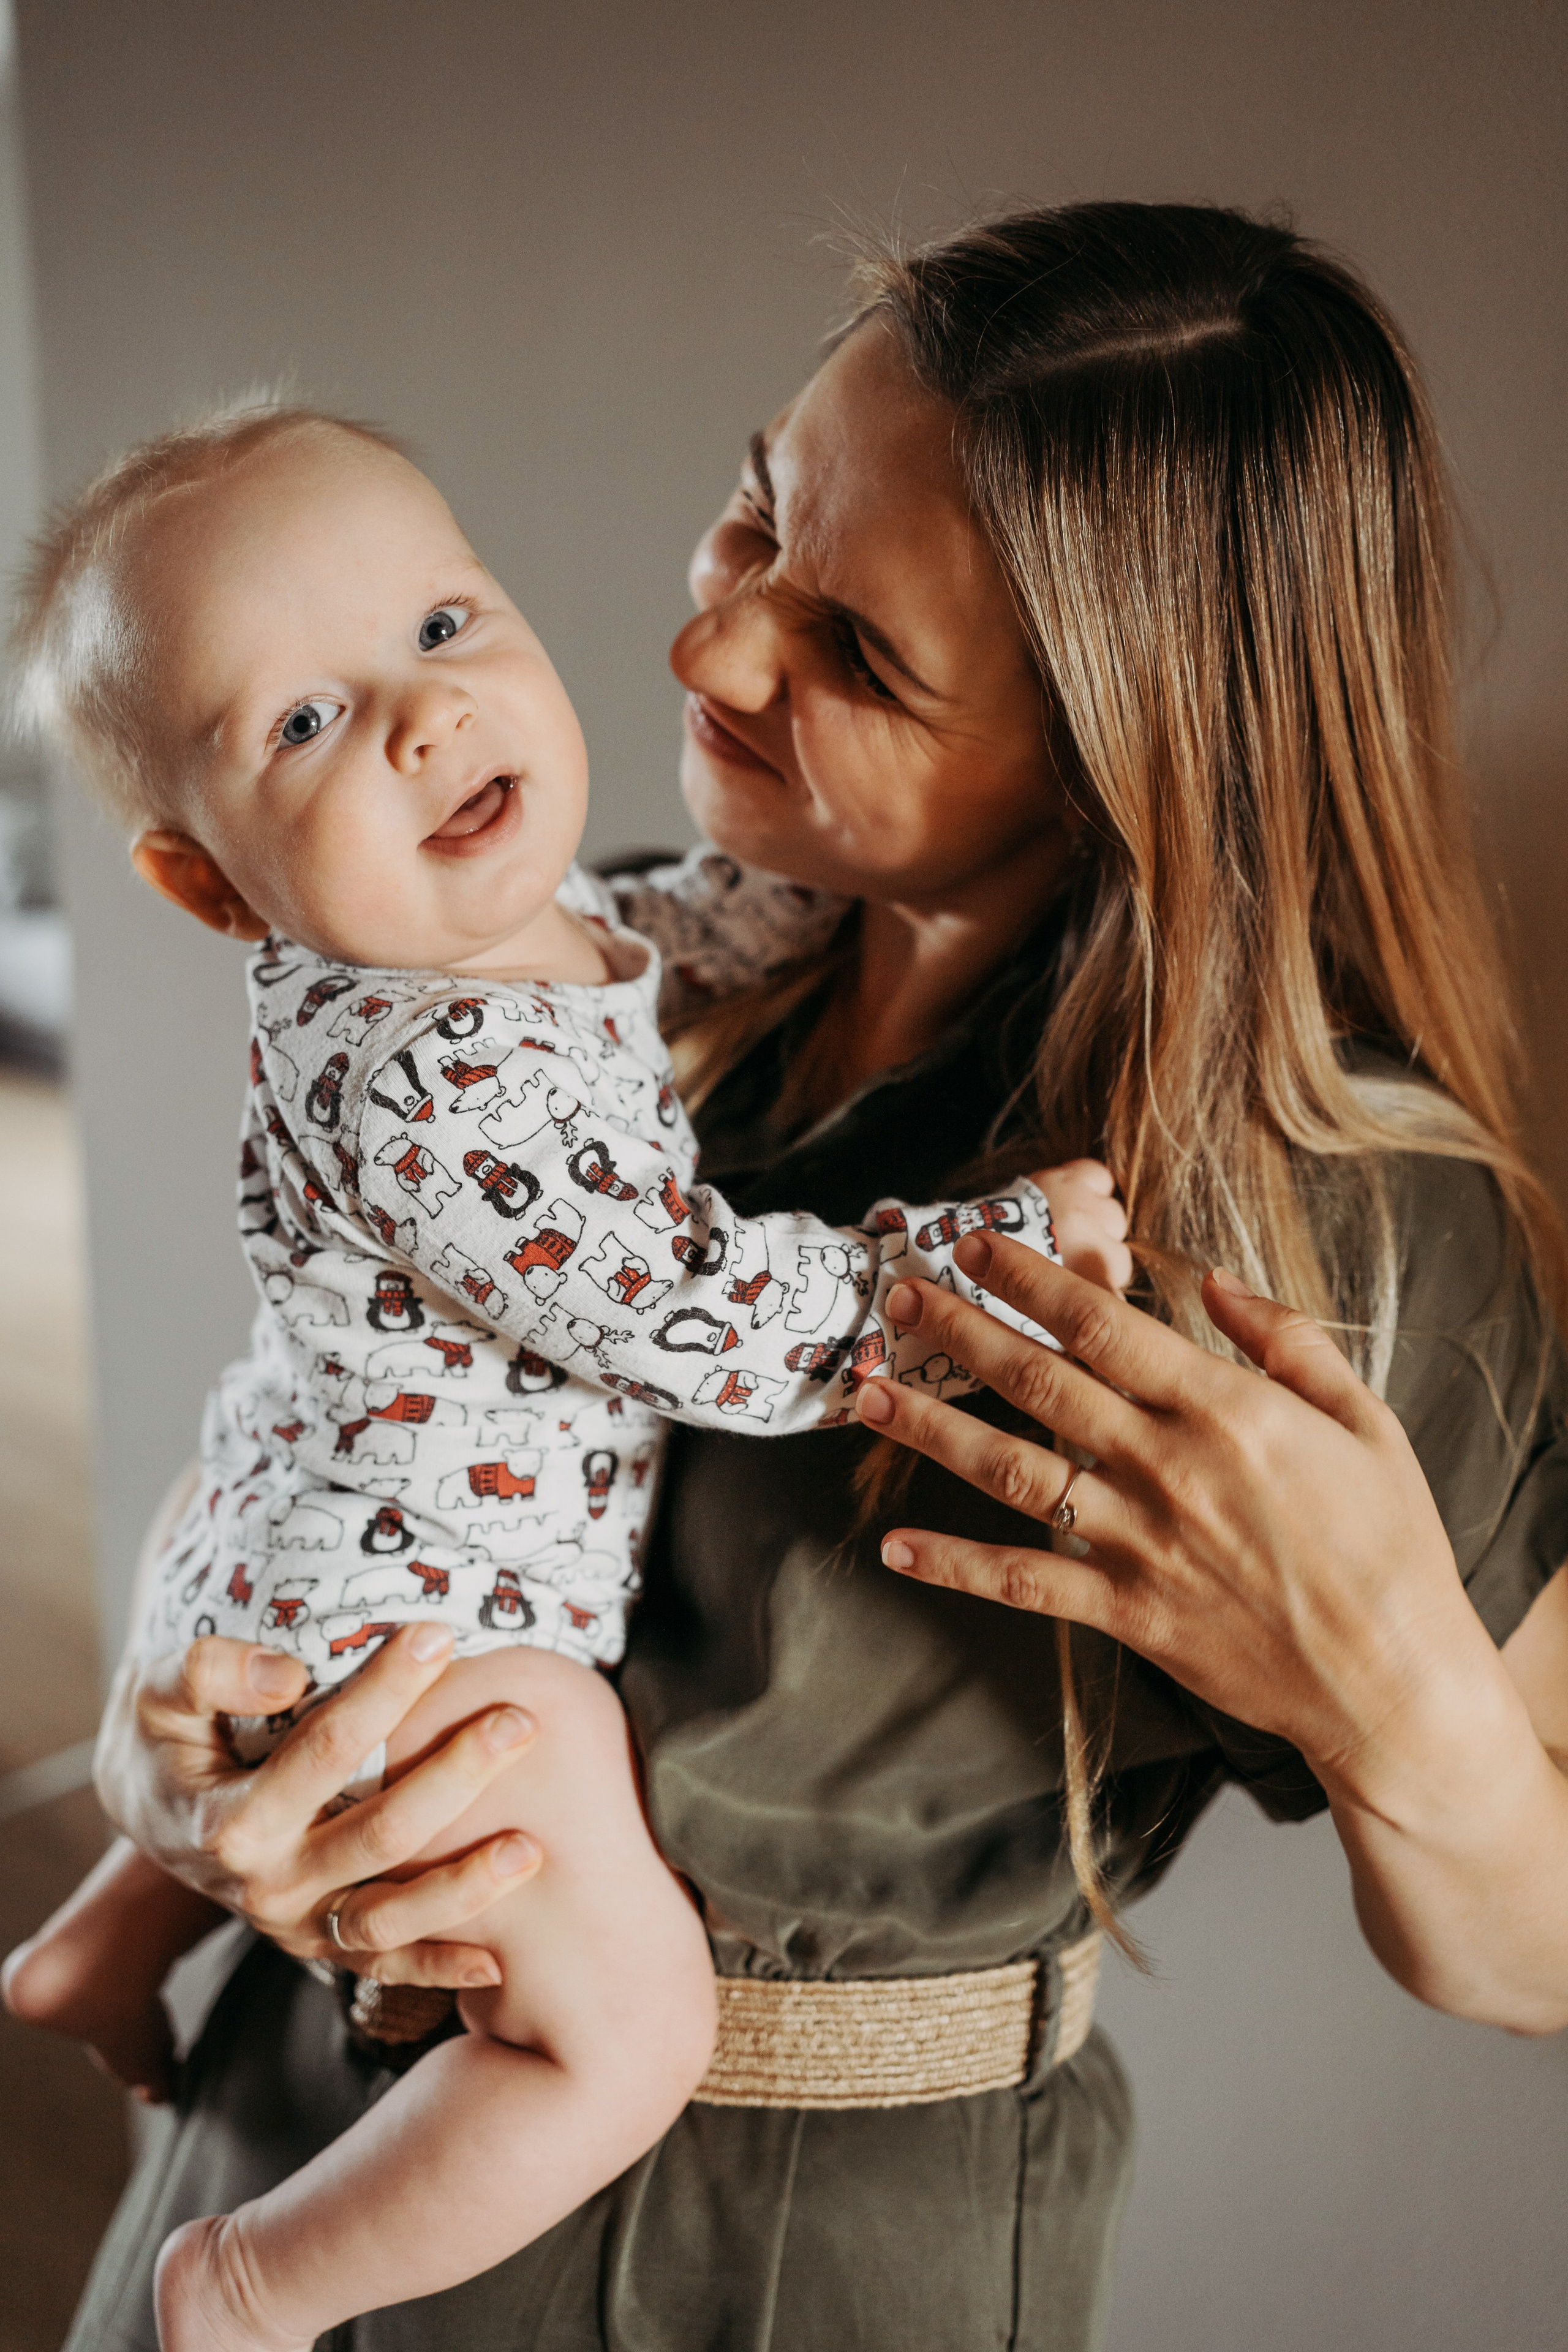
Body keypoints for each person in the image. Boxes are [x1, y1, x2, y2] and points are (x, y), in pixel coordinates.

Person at [58, 202, 1568, 2352]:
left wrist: (1387, 1670)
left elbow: (1542, 1948)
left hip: (768, 2269)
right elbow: (362, 1430)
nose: (711, 654)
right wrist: (173, 1772)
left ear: (1128, 754)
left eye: (860, 655)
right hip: (297, 2129)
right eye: (752, 519)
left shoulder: (1322, 1231)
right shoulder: (598, 973)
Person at [0, 402, 1101, 2351]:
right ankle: (249, 2282)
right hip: (418, 1621)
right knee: (626, 2031)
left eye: (440, 626)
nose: (421, 717)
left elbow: (671, 926)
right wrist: (963, 1265)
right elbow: (690, 1308)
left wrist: (806, 896)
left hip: (298, 1525)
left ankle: (99, 1939)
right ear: (208, 888)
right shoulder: (429, 1078)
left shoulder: (520, 929)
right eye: (306, 724)